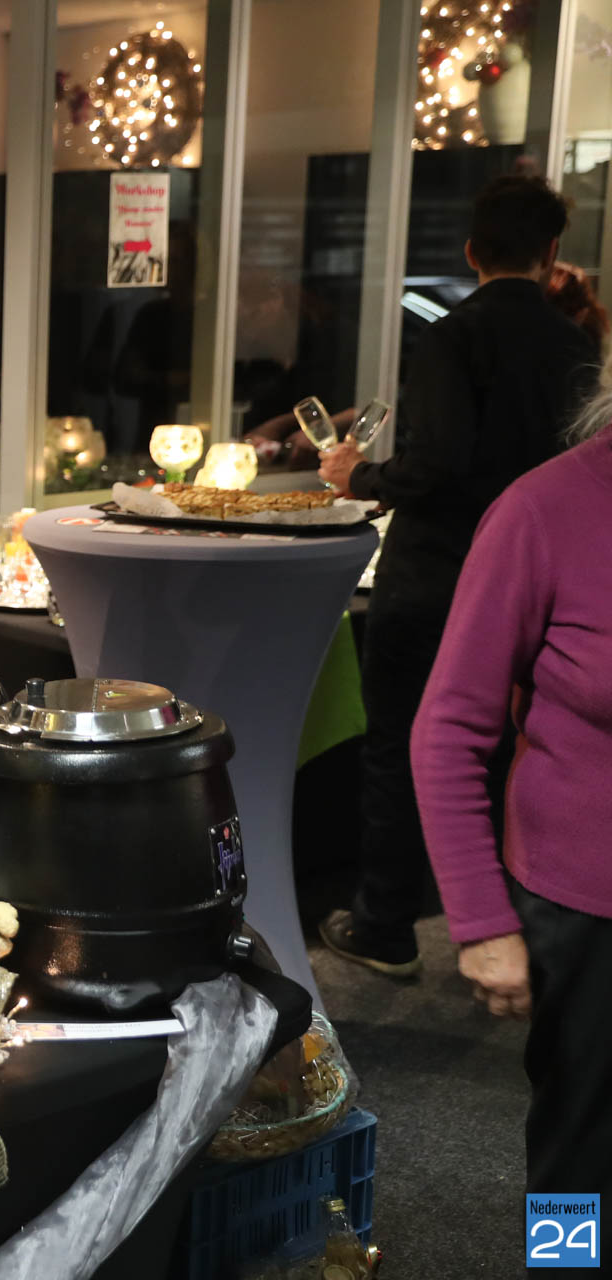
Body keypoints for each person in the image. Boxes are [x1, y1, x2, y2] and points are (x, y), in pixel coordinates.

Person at [316, 174, 599, 977]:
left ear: (472, 251)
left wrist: (359, 477)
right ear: (550, 252)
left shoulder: (454, 335)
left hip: (438, 573)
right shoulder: (576, 344)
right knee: (515, 746)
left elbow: (436, 463)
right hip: (543, 582)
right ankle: (513, 916)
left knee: (403, 743)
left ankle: (384, 922)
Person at [411, 384, 612, 1198]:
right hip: (588, 916)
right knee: (577, 1168)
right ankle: (560, 1261)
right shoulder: (544, 510)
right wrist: (481, 921)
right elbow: (448, 729)